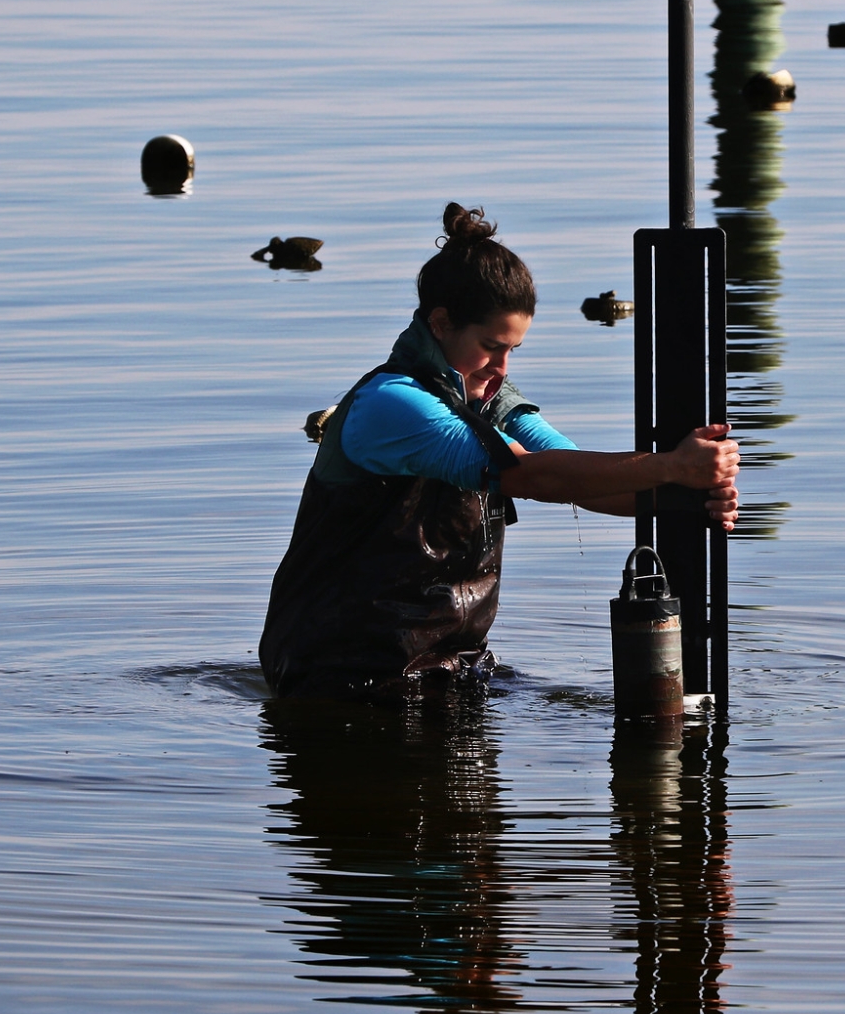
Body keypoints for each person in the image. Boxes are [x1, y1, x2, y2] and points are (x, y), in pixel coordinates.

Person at [261, 204, 740, 698]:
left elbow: (577, 475)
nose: (503, 368)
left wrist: (688, 495)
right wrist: (672, 465)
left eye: (513, 350)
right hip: (339, 676)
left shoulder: (487, 397)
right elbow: (531, 477)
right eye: (492, 346)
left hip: (447, 669)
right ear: (442, 323)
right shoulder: (391, 405)